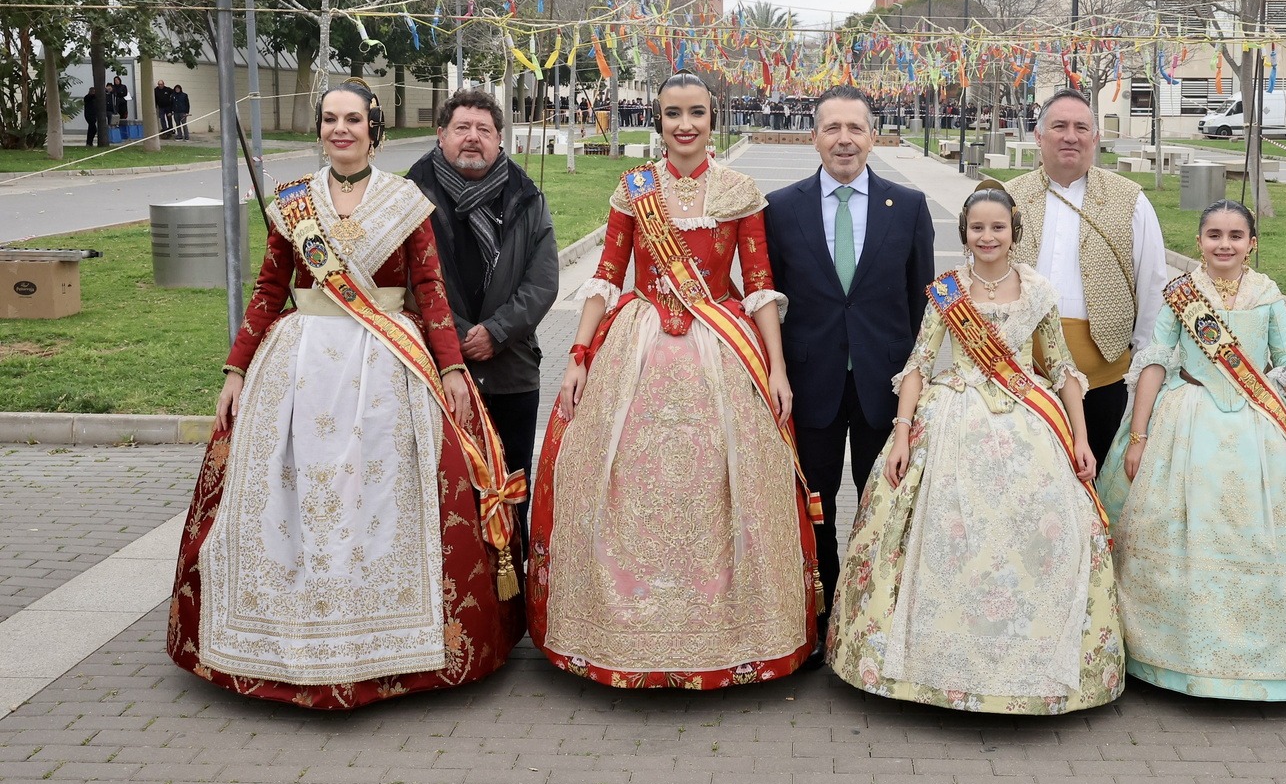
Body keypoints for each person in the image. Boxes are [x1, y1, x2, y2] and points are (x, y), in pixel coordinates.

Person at [167, 81, 524, 710]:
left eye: (353, 119)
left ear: (373, 127)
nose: (341, 130)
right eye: (331, 119)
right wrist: (235, 372)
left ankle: (386, 644)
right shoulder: (293, 202)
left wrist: (448, 373)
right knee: (300, 491)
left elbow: (432, 293)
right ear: (320, 129)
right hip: (300, 369)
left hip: (386, 368)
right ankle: (285, 636)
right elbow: (269, 289)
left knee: (377, 489)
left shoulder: (404, 201)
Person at [528, 70, 820, 689]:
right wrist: (578, 354)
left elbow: (761, 284)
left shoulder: (738, 189)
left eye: (696, 113)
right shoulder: (634, 190)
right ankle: (619, 629)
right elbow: (607, 276)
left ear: (714, 119)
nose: (684, 125)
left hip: (719, 343)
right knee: (617, 478)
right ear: (657, 120)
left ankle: (730, 633)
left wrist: (776, 366)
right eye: (672, 114)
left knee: (723, 481)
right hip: (636, 347)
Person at [827, 188, 1125, 714]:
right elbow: (919, 364)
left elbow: (1060, 368)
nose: (987, 238)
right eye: (977, 229)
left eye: (998, 228)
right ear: (963, 233)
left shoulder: (1037, 289)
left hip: (1026, 420)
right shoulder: (947, 291)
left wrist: (1079, 437)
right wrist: (901, 435)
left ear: (1015, 232)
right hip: (952, 418)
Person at [1099, 200, 1286, 701]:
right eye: (1213, 234)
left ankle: (1274, 660)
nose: (1223, 244)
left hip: (1259, 426)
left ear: (1252, 244)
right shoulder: (1180, 295)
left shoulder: (1268, 295)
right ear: (1199, 240)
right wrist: (1137, 437)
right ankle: (1174, 658)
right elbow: (1156, 363)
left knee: (1260, 537)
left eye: (1235, 235)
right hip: (1187, 420)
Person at [764, 84, 935, 666]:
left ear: (872, 136)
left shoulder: (908, 208)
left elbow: (921, 310)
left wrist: (920, 387)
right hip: (807, 388)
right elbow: (771, 301)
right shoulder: (779, 208)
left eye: (855, 128)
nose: (843, 139)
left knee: (878, 506)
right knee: (813, 507)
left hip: (883, 391)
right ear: (813, 137)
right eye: (831, 128)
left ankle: (873, 623)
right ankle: (817, 614)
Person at [408, 89, 559, 546]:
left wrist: (496, 332)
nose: (472, 138)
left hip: (511, 371)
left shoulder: (526, 197)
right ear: (441, 135)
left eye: (484, 130)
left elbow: (543, 281)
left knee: (511, 489)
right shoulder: (408, 198)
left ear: (499, 139)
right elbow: (407, 283)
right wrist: (456, 339)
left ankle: (512, 603)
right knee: (444, 495)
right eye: (462, 128)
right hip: (437, 372)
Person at [1006, 88, 1167, 451]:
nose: (1070, 136)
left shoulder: (1131, 200)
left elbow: (1153, 286)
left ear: (1095, 138)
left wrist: (1142, 366)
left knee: (1095, 483)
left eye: (1081, 127)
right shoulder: (1007, 198)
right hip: (1022, 375)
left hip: (1105, 379)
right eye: (1059, 126)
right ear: (1038, 135)